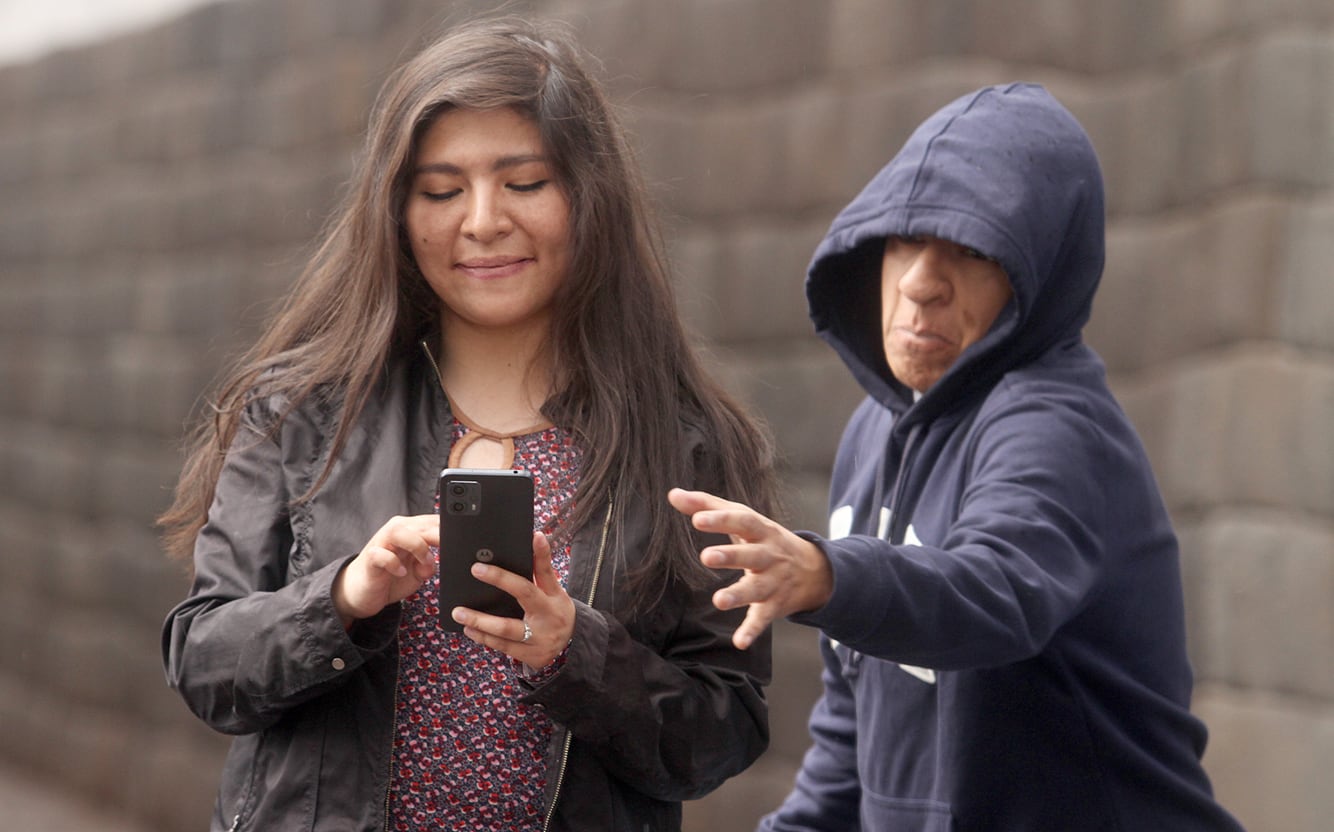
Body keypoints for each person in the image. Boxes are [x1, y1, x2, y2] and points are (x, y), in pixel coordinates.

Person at [159, 16, 777, 832]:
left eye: (523, 183)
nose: (482, 221)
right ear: (398, 209)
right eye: (442, 191)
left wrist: (575, 652)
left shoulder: (685, 442)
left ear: (587, 194)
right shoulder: (303, 411)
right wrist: (344, 596)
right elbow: (206, 663)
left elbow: (722, 732)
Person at [669, 83, 1246, 830]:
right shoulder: (873, 435)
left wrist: (830, 573)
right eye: (904, 240)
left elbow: (996, 590)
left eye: (970, 250)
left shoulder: (1054, 424)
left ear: (1037, 276)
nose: (919, 283)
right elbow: (854, 743)